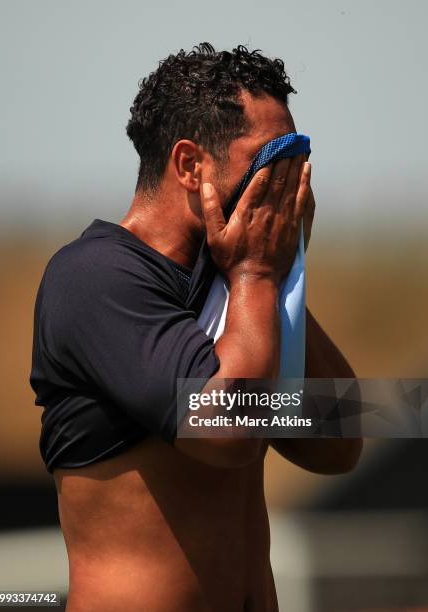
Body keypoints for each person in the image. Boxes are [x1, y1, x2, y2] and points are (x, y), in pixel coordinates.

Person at [30, 43, 362, 612]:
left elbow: (339, 438)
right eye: (269, 158)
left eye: (296, 157)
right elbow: (225, 433)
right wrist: (259, 273)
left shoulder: (236, 283)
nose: (287, 179)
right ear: (189, 166)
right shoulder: (92, 278)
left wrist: (280, 279)